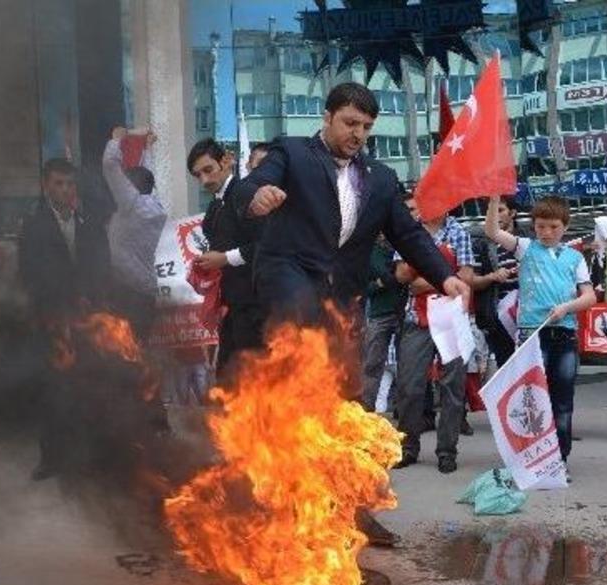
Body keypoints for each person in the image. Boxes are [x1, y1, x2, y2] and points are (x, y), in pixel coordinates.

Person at [230, 82, 468, 327]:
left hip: (346, 306)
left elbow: (408, 234)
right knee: (297, 361)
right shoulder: (293, 153)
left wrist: (445, 277)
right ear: (328, 117)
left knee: (343, 367)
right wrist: (257, 196)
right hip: (289, 298)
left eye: (366, 127)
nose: (359, 134)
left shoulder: (381, 178)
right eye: (350, 123)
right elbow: (249, 185)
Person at [484, 194, 596, 475]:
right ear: (533, 226)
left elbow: (589, 297)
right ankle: (529, 459)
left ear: (565, 227)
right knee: (530, 399)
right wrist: (493, 198)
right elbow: (492, 231)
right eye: (541, 226)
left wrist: (566, 308)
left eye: (553, 227)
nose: (546, 233)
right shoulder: (524, 248)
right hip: (532, 334)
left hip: (565, 333)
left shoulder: (575, 258)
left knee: (562, 400)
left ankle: (559, 459)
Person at [19, 158, 109, 481]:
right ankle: (51, 458)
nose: (66, 189)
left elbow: (99, 265)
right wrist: (64, 301)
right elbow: (30, 275)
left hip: (87, 320)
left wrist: (91, 298)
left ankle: (85, 454)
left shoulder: (86, 222)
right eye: (58, 183)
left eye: (70, 184)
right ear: (46, 186)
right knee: (53, 389)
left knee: (86, 385)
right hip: (52, 319)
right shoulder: (33, 226)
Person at [393, 196, 473, 473]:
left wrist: (425, 276)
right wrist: (443, 276)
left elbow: (466, 277)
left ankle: (447, 451)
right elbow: (404, 276)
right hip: (417, 319)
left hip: (450, 321)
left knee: (452, 388)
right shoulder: (408, 231)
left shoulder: (458, 232)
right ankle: (407, 446)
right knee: (409, 387)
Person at [187, 138, 264, 373]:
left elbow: (268, 243)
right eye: (197, 175)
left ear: (226, 161)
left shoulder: (244, 193)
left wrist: (224, 259)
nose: (204, 180)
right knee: (228, 376)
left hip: (256, 304)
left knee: (249, 378)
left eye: (208, 170)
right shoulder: (215, 206)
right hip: (233, 304)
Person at [103, 127, 167, 341]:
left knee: (125, 349)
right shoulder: (154, 204)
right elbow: (147, 175)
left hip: (126, 292)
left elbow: (110, 166)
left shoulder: (130, 205)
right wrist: (147, 148)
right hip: (146, 293)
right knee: (141, 347)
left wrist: (116, 140)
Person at [472, 196, 521, 366]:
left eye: (500, 210)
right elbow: (471, 281)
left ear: (512, 213)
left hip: (530, 313)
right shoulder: (481, 244)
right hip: (498, 317)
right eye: (491, 211)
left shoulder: (528, 240)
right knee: (506, 366)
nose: (494, 215)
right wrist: (493, 276)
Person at [360, 232, 406, 412]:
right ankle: (366, 409)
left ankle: (402, 409)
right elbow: (363, 287)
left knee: (407, 363)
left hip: (403, 310)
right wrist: (381, 283)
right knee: (372, 362)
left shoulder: (402, 245)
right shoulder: (369, 252)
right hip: (380, 312)